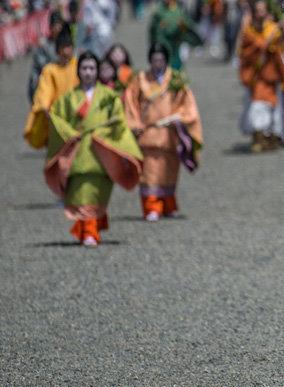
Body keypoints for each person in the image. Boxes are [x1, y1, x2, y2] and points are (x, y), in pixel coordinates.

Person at [43, 52, 143, 246]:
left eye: (92, 68)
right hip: (78, 153)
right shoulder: (68, 98)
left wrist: (104, 134)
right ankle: (88, 231)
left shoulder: (108, 97)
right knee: (81, 193)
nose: (88, 72)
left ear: (98, 71)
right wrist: (69, 133)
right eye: (84, 68)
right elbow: (57, 119)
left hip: (101, 154)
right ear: (78, 71)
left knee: (97, 193)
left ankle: (89, 229)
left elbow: (119, 123)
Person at [123, 43, 203, 222]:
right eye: (154, 59)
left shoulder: (175, 80)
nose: (157, 63)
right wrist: (135, 124)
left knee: (169, 172)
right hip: (149, 133)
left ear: (166, 60)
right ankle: (151, 206)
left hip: (169, 133)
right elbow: (131, 104)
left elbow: (188, 105)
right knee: (149, 174)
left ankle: (168, 204)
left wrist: (180, 117)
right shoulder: (140, 79)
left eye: (161, 59)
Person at [238, 0, 284, 152]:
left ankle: (271, 136)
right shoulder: (249, 31)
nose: (261, 14)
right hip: (256, 75)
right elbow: (246, 51)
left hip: (271, 73)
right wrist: (267, 41)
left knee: (273, 106)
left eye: (263, 10)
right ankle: (259, 135)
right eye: (258, 11)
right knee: (258, 104)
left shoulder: (272, 28)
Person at [24, 28, 78, 149]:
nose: (67, 50)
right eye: (64, 47)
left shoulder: (78, 66)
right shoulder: (50, 69)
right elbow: (44, 90)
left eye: (69, 46)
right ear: (58, 50)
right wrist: (45, 107)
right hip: (56, 116)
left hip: (77, 114)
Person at [148, 0, 202, 70]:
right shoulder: (159, 11)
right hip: (164, 41)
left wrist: (183, 27)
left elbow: (187, 23)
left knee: (177, 61)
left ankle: (177, 77)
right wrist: (155, 39)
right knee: (165, 60)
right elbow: (153, 29)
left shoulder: (179, 9)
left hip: (177, 41)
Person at [27, 12, 65, 103]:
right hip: (47, 85)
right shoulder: (44, 45)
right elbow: (39, 67)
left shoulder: (67, 45)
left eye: (60, 25)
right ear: (50, 27)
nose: (58, 28)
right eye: (55, 25)